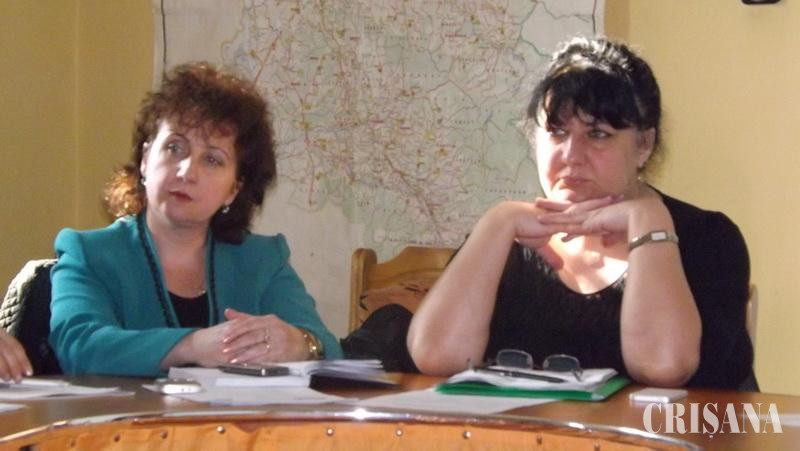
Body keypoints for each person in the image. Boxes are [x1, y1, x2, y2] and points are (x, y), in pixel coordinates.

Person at [407, 37, 753, 389]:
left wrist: (649, 221)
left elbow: (663, 368)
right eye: (557, 132)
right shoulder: (508, 237)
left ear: (644, 144)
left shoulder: (708, 240)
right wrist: (497, 221)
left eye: (598, 134)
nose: (572, 155)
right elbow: (436, 357)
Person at [50, 62, 342, 376]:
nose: (187, 171)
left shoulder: (263, 260)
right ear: (146, 160)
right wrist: (191, 346)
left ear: (234, 189)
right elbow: (78, 346)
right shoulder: (89, 253)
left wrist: (300, 344)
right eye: (174, 148)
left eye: (213, 160)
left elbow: (330, 348)